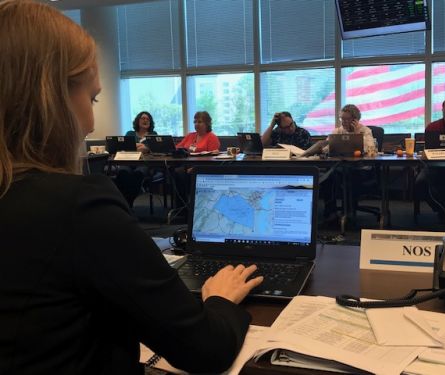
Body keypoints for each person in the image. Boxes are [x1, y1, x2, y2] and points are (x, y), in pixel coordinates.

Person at [0, 2, 263, 375]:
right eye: (91, 98)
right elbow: (206, 351)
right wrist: (219, 299)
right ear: (51, 100)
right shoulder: (76, 207)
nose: (90, 122)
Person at [115, 111, 158, 207]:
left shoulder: (153, 134)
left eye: (148, 119)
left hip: (145, 163)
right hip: (128, 161)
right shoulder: (130, 133)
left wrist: (145, 148)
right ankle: (123, 202)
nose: (145, 120)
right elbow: (125, 147)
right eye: (143, 118)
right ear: (138, 121)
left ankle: (128, 203)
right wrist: (141, 147)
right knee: (123, 173)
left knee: (138, 174)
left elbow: (154, 149)